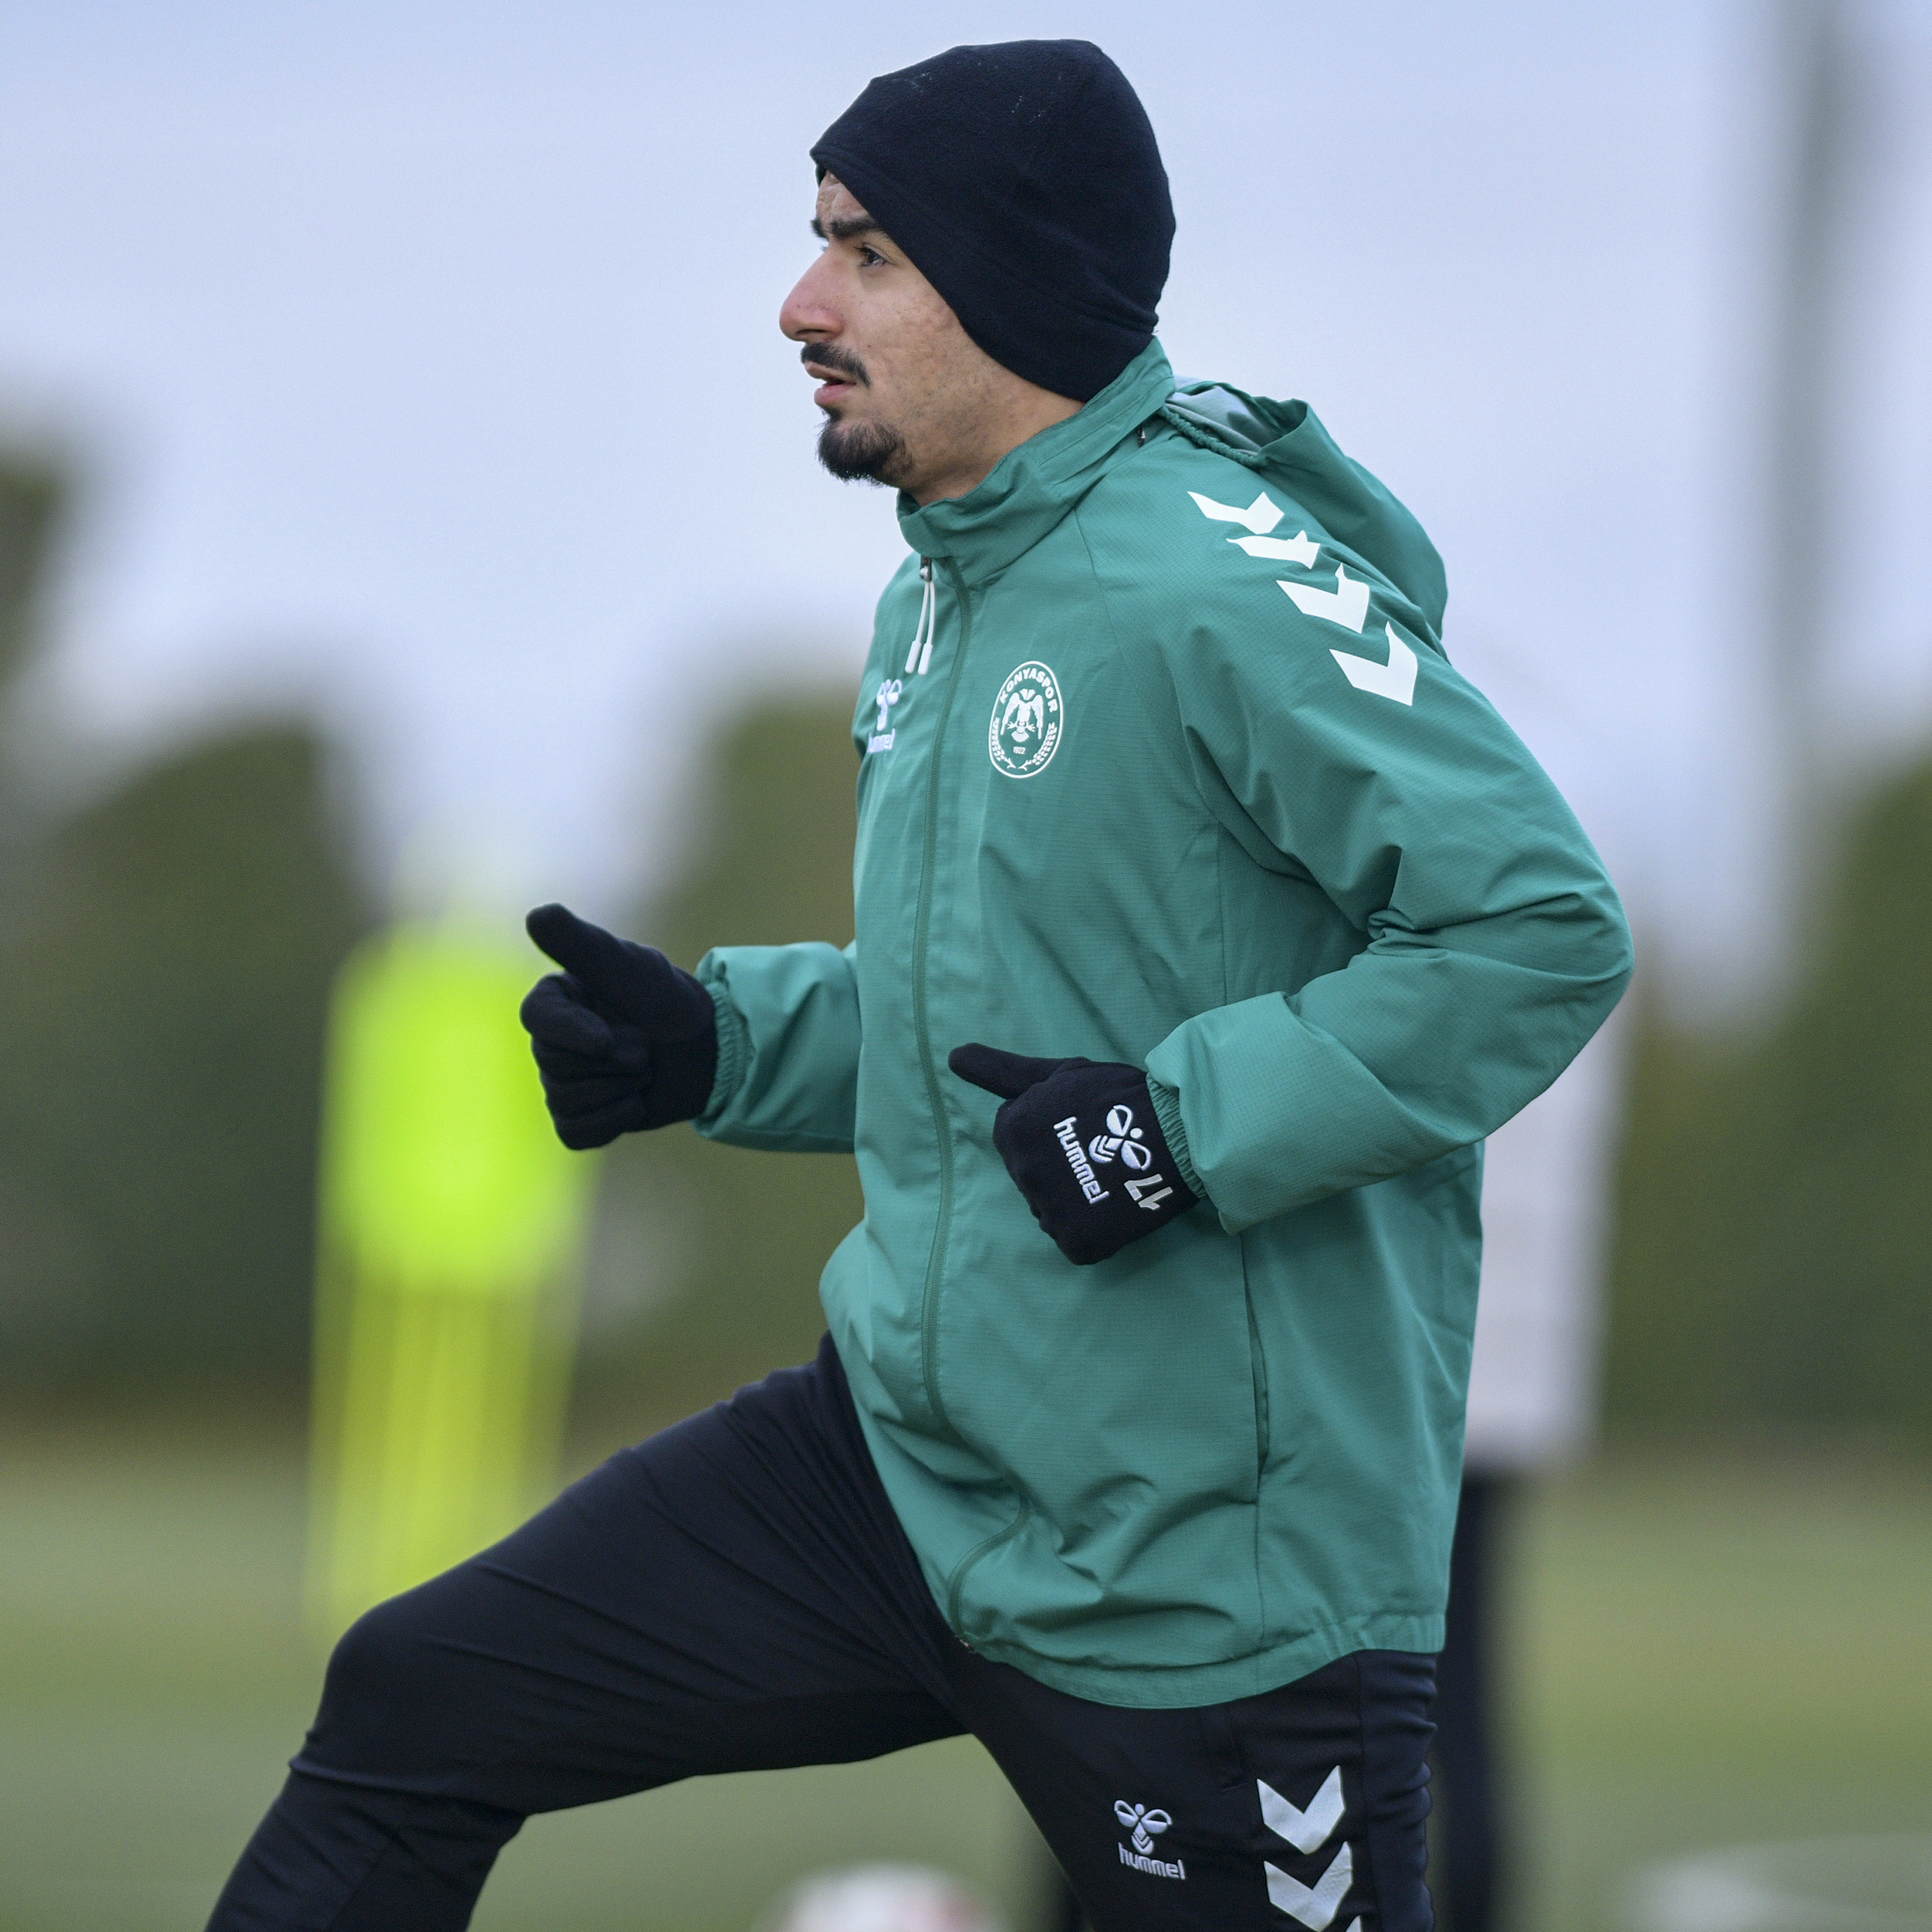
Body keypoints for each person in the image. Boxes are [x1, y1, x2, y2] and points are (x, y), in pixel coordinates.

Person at [206, 39, 1632, 1932]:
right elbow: (990, 1016)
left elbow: (1539, 929)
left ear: (1016, 285)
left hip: (1205, 1573)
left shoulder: (1221, 585)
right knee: (414, 1702)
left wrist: (1175, 1131)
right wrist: (725, 1043)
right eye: (821, 243)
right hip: (898, 1475)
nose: (802, 303)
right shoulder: (944, 591)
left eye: (868, 253)